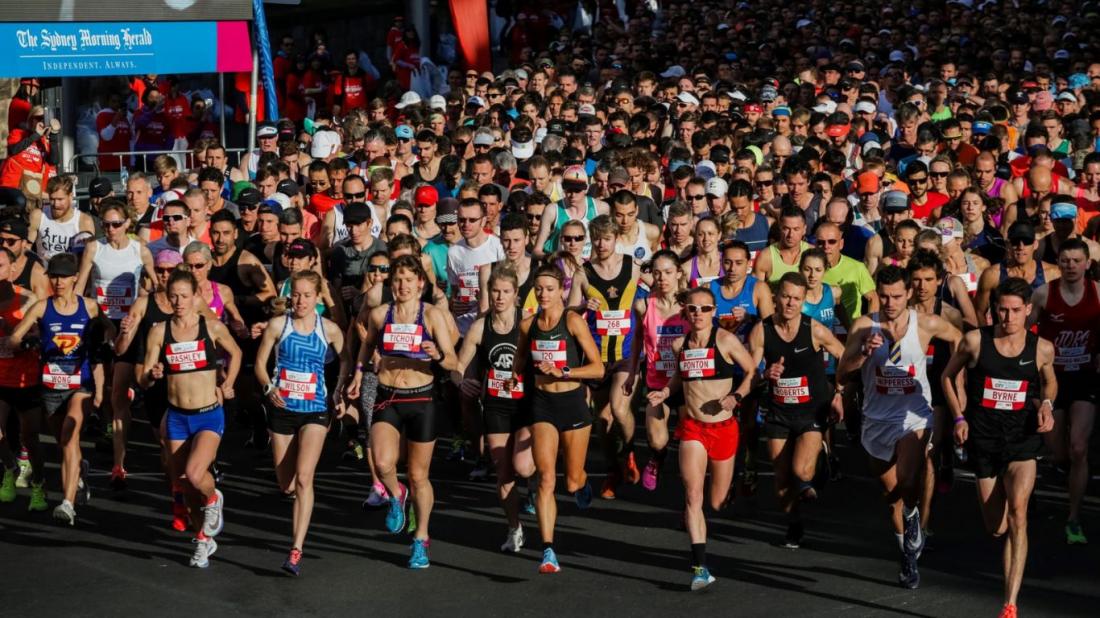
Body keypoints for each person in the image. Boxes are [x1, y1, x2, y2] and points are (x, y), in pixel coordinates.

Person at [837, 265, 961, 589]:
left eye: (896, 296)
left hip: (914, 416)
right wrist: (863, 354)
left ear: (908, 294)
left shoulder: (926, 324)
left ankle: (912, 515)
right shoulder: (865, 326)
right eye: (884, 296)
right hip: (876, 421)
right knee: (890, 494)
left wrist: (954, 377)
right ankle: (907, 554)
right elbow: (841, 373)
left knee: (908, 481)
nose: (890, 303)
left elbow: (962, 340)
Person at [941, 278, 1056, 618]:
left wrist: (1047, 403)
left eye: (1015, 311)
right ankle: (1005, 533)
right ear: (993, 310)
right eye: (1001, 310)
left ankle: (1010, 604)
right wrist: (959, 417)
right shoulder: (975, 342)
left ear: (1028, 311)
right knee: (997, 526)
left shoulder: (1041, 348)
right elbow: (948, 377)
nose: (1008, 317)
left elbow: (1049, 380)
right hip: (984, 441)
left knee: (1019, 514)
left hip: (1022, 441)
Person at [346, 255, 457, 569]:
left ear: (420, 283)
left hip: (421, 399)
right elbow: (368, 345)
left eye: (409, 279)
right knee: (382, 463)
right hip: (388, 395)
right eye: (397, 279)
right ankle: (396, 494)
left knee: (420, 475)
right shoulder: (381, 314)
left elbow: (452, 361)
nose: (403, 285)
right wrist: (357, 373)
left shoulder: (432, 315)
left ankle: (420, 538)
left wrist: (437, 355)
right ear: (389, 283)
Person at [647, 285, 755, 590]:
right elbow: (680, 377)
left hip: (723, 428)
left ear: (713, 312)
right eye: (692, 309)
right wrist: (665, 392)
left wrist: (736, 396)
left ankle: (730, 483)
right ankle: (700, 567)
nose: (698, 314)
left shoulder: (726, 340)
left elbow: (752, 373)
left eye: (705, 309)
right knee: (693, 496)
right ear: (685, 312)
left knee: (717, 502)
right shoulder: (679, 344)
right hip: (693, 428)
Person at [137, 269, 242, 568]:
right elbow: (144, 378)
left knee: (197, 475)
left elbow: (236, 353)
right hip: (177, 417)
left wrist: (228, 384)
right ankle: (202, 539)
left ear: (196, 296)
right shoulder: (160, 331)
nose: (179, 302)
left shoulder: (211, 327)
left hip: (208, 414)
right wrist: (151, 375)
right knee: (184, 485)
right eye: (173, 297)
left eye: (184, 296)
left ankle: (214, 499)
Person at [509, 263, 605, 573]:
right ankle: (548, 550)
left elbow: (598, 368)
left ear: (561, 290)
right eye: (539, 289)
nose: (543, 294)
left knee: (572, 479)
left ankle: (582, 483)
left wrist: (564, 371)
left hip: (573, 403)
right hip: (542, 404)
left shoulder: (573, 321)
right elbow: (521, 357)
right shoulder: (528, 325)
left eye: (549, 289)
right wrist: (513, 375)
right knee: (546, 477)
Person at [254, 270, 348, 575]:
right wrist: (269, 388)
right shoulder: (278, 326)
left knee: (305, 477)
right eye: (296, 294)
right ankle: (293, 503)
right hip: (282, 407)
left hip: (315, 409)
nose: (301, 300)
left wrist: (338, 390)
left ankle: (296, 549)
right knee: (287, 483)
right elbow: (259, 364)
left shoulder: (329, 329)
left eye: (308, 295)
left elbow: (346, 358)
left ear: (318, 297)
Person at [749, 272, 845, 548]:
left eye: (797, 299)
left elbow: (844, 356)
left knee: (801, 472)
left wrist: (838, 392)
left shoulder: (813, 328)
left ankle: (821, 459)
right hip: (778, 411)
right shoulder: (761, 330)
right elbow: (750, 373)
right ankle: (794, 524)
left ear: (803, 301)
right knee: (781, 482)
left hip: (811, 412)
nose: (790, 303)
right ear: (776, 297)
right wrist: (766, 373)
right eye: (786, 296)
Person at [9, 253, 105, 525]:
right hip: (51, 386)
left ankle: (67, 503)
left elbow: (110, 333)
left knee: (68, 435)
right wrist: (26, 342)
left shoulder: (90, 308)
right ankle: (80, 470)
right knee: (66, 444)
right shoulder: (41, 307)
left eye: (63, 276)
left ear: (75, 277)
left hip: (80, 384)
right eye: (54, 276)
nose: (58, 281)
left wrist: (107, 342)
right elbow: (15, 337)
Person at [452, 265, 535, 552]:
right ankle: (515, 528)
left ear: (516, 295)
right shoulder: (480, 327)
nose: (500, 297)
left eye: (506, 291)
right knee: (503, 472)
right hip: (496, 407)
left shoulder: (527, 323)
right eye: (495, 291)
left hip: (526, 407)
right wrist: (462, 382)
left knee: (524, 467)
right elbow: (458, 367)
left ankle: (535, 485)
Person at [74, 198, 155, 489]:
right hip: (99, 323)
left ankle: (119, 464)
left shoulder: (140, 250)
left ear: (128, 224)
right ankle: (108, 427)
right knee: (100, 395)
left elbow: (154, 288)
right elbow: (80, 288)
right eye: (106, 224)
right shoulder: (95, 248)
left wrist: (141, 318)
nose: (110, 229)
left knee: (117, 396)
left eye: (116, 224)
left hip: (127, 326)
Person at [1029, 238, 1098, 544]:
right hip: (1052, 379)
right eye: (1065, 261)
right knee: (1058, 451)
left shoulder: (1097, 292)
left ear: (1087, 264)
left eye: (1076, 261)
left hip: (1085, 378)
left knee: (1079, 447)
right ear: (1058, 263)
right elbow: (1022, 331)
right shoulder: (1045, 293)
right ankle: (1065, 470)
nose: (1071, 266)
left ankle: (1073, 517)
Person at [575, 216, 643, 498]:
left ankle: (628, 452)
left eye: (608, 238)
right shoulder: (583, 273)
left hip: (626, 352)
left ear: (616, 239)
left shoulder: (633, 267)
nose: (602, 244)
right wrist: (581, 306)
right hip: (597, 355)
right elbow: (568, 314)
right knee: (601, 420)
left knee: (618, 408)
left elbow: (661, 288)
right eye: (598, 239)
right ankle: (612, 469)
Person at [626, 250, 686, 491]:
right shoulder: (643, 305)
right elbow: (637, 340)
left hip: (685, 380)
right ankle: (658, 458)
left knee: (689, 442)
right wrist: (632, 373)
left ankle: (689, 495)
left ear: (679, 274)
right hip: (656, 379)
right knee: (657, 440)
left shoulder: (690, 306)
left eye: (668, 272)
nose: (662, 278)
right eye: (657, 273)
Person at [0, 248, 43, 511]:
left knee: (31, 438)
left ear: (13, 269)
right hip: (0, 377)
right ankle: (9, 467)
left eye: (0, 265)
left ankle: (38, 482)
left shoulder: (28, 300)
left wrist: (15, 336)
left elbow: (38, 340)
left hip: (26, 379)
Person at [28, 176, 96, 261]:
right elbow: (26, 248)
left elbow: (89, 257)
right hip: (42, 270)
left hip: (70, 271)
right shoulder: (38, 215)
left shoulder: (84, 221)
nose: (56, 204)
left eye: (60, 199)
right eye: (52, 199)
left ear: (70, 197)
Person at [753, 206, 810, 285]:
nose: (790, 235)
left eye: (796, 229)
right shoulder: (766, 256)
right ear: (780, 227)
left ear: (804, 229)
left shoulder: (811, 253)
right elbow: (756, 292)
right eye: (786, 228)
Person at [682, 217, 724, 287]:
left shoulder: (729, 263)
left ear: (719, 235)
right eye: (701, 234)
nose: (706, 238)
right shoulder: (686, 268)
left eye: (710, 234)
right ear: (696, 237)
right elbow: (682, 296)